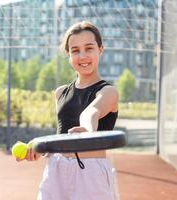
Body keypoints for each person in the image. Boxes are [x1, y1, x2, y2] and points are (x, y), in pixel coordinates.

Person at [19, 21, 119, 200]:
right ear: (69, 55)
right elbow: (61, 133)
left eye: (89, 48)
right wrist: (41, 147)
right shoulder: (60, 93)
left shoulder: (108, 92)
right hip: (56, 169)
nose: (82, 56)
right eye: (75, 50)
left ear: (100, 49)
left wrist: (87, 132)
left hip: (91, 172)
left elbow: (91, 112)